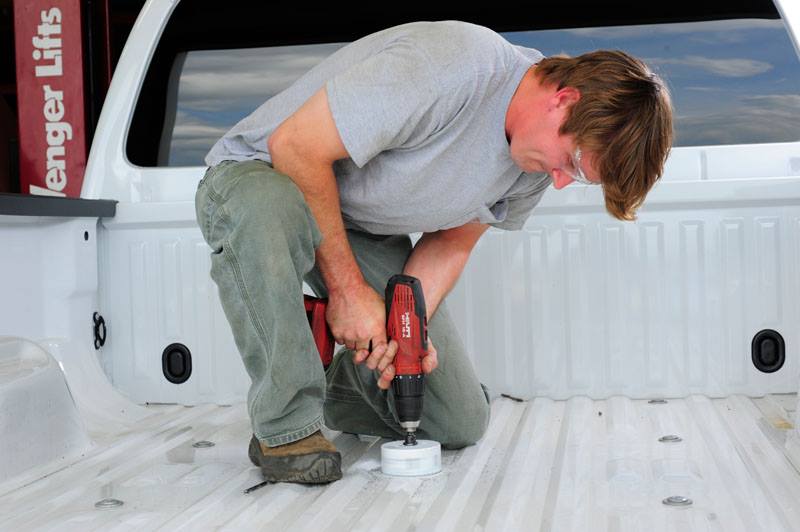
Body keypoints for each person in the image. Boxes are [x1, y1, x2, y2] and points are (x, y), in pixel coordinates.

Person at [195, 20, 673, 484]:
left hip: (355, 225)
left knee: (457, 418)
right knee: (267, 205)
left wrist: (404, 333)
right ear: (564, 100)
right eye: (573, 162)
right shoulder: (455, 63)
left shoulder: (532, 167)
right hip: (264, 178)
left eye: (580, 178)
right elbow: (295, 146)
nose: (561, 181)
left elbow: (451, 243)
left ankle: (315, 374)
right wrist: (348, 293)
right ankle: (286, 428)